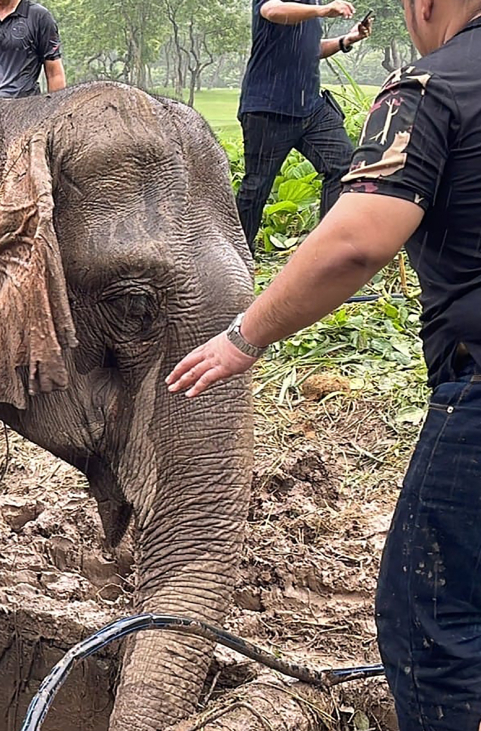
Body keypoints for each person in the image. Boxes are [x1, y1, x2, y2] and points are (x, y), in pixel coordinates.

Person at [167, 1, 481, 729]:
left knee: (428, 620)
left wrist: (243, 336)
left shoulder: (427, 90)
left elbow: (355, 242)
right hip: (275, 107)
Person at [236, 0, 372, 253]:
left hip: (311, 108)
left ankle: (327, 252)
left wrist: (348, 39)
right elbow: (272, 11)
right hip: (268, 109)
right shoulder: (294, 6)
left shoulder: (312, 6)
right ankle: (237, 257)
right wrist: (323, 11)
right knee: (257, 186)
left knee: (343, 166)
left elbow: (311, 49)